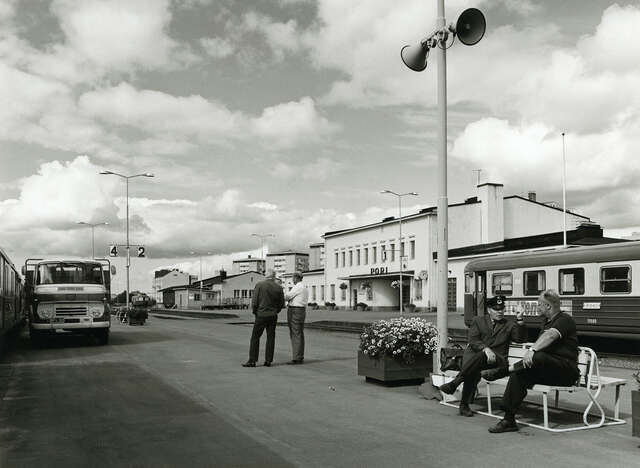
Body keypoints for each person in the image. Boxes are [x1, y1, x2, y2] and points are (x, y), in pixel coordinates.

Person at [485, 289, 579, 433]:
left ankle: (503, 371)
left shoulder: (564, 319)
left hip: (566, 371)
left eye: (539, 305)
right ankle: (508, 419)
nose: (537, 307)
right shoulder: (546, 322)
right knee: (520, 375)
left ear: (548, 306)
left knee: (537, 356)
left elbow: (551, 336)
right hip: (549, 369)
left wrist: (532, 350)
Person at [438, 295, 526, 417]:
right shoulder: (478, 321)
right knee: (476, 366)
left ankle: (456, 385)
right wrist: (486, 349)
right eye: (496, 309)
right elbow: (473, 340)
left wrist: (520, 319)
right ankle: (463, 403)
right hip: (479, 359)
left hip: (498, 361)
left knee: (476, 362)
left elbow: (520, 339)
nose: (500, 312)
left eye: (502, 309)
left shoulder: (509, 324)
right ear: (489, 310)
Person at [242, 270, 285, 368]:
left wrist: (255, 312)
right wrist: (275, 311)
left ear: (266, 276)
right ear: (274, 277)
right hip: (273, 315)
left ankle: (252, 360)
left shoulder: (259, 285)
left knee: (255, 337)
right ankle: (268, 360)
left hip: (261, 315)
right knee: (270, 337)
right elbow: (281, 303)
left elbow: (255, 301)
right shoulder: (279, 288)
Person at [284, 272, 309, 364]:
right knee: (299, 333)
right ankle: (299, 355)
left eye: (292, 278)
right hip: (301, 311)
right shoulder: (304, 287)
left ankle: (297, 357)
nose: (292, 280)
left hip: (295, 310)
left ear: (295, 278)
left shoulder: (298, 286)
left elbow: (287, 296)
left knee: (295, 333)